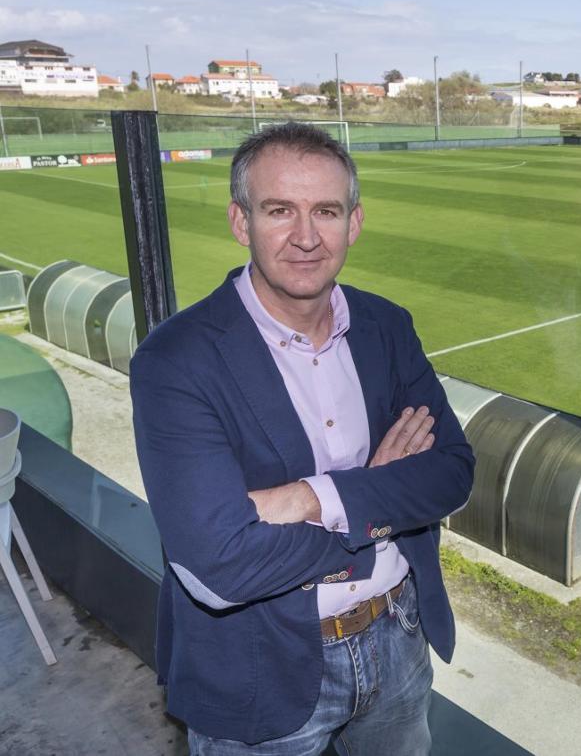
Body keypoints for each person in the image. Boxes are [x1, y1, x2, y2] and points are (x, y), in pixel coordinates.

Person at [130, 121, 474, 754]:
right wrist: (376, 505)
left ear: (355, 222)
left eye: (326, 211)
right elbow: (219, 566)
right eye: (280, 210)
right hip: (260, 666)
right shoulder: (174, 361)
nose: (307, 237)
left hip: (398, 639)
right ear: (241, 222)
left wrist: (308, 499)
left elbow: (452, 472)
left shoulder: (386, 325)